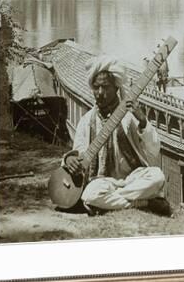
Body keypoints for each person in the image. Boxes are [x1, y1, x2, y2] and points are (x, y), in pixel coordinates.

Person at [62, 56, 171, 216]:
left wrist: (142, 121)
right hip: (104, 182)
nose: (100, 93)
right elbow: (78, 153)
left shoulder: (129, 115)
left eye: (105, 87)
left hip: (133, 178)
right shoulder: (86, 121)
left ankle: (110, 203)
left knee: (157, 176)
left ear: (116, 88)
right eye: (96, 87)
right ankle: (144, 202)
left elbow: (154, 149)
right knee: (89, 194)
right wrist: (69, 159)